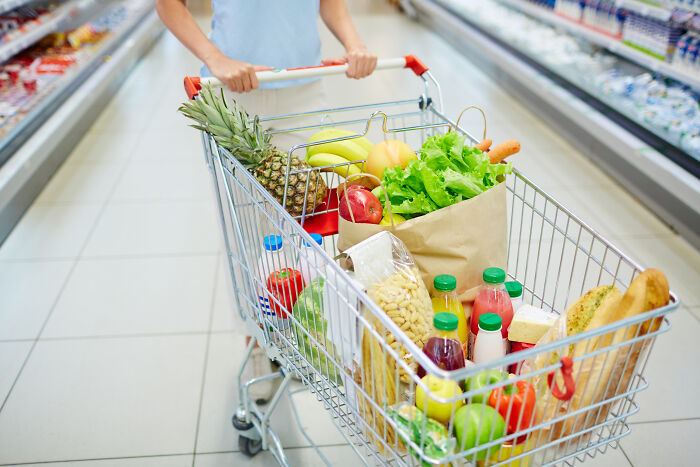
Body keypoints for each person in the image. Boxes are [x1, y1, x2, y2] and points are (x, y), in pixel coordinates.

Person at [156, 0, 377, 404]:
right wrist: (215, 57)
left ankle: (294, 335)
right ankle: (257, 342)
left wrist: (354, 43)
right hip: (231, 92)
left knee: (303, 224)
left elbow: (331, 4)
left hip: (305, 87)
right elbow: (169, 5)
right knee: (247, 232)